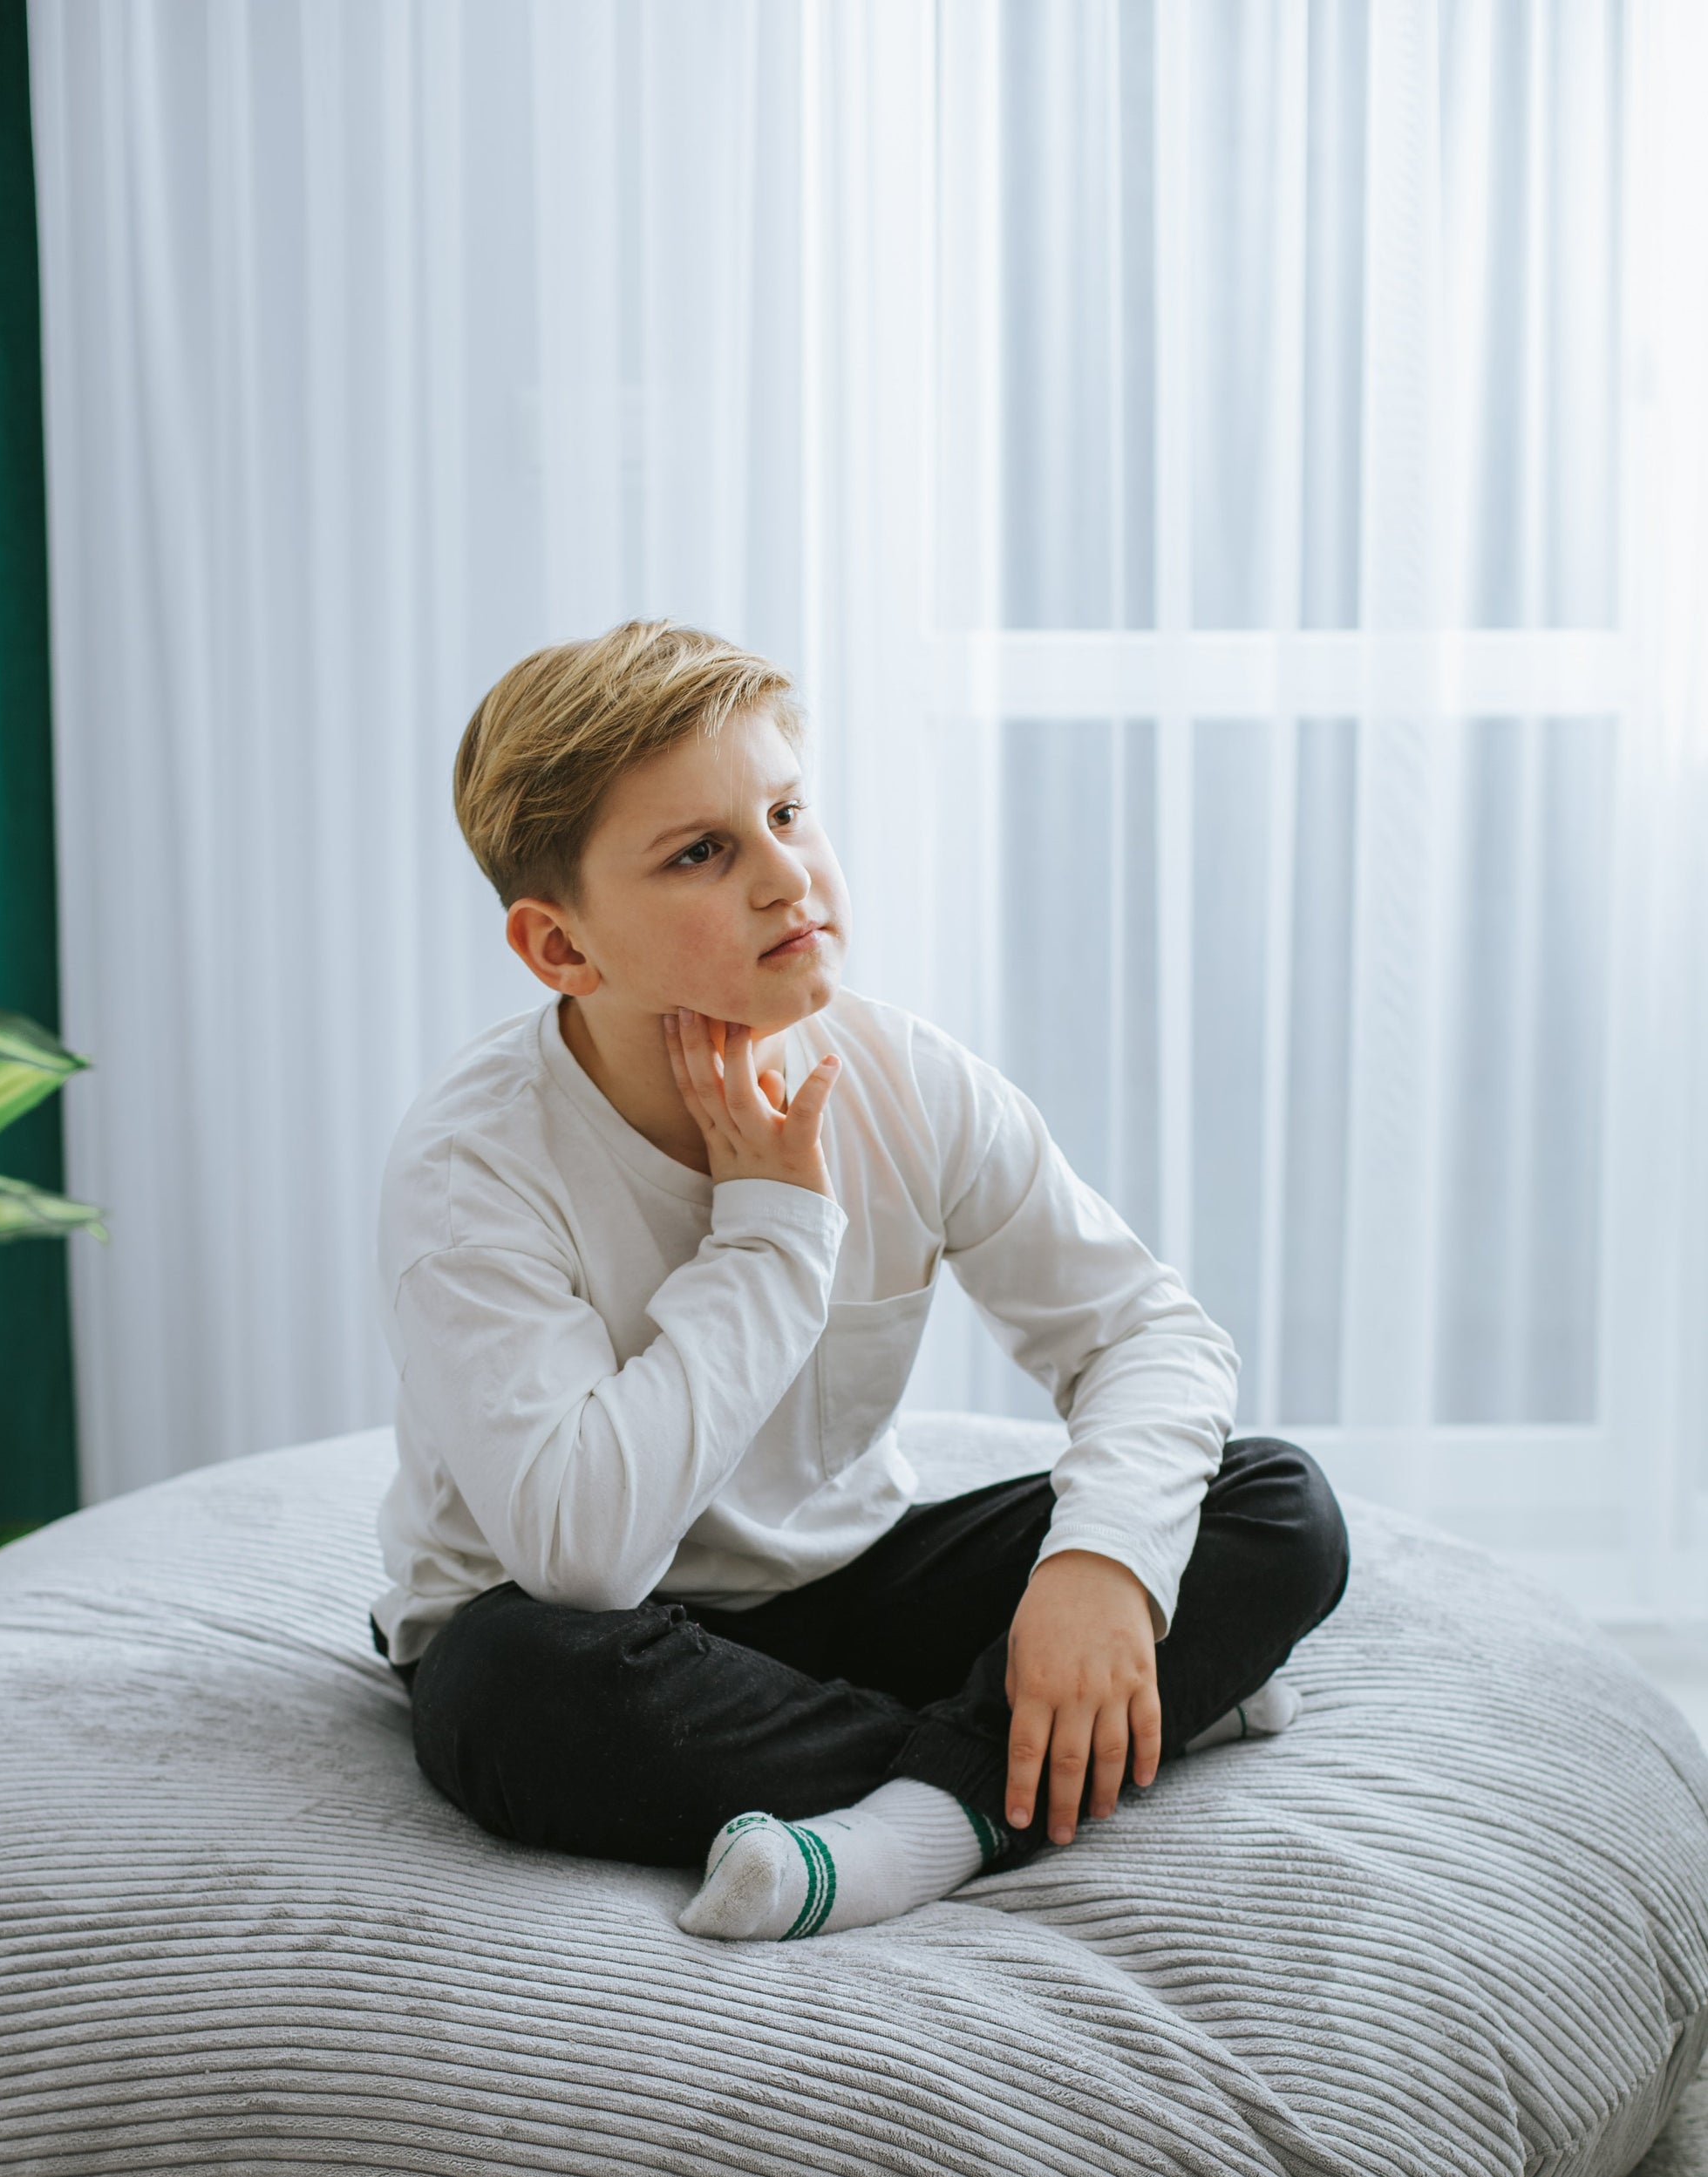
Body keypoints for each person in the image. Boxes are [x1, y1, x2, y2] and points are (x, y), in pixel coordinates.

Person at [371, 620, 1348, 1942]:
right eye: (703, 853)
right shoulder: (470, 1170)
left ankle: (939, 1810)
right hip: (598, 1631)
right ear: (559, 950)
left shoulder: (905, 1076)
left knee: (1274, 1502)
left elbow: (1145, 1335)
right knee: (506, 1696)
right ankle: (1092, 1735)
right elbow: (585, 1554)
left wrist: (1105, 1575)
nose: (790, 877)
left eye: (786, 811)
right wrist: (771, 1223)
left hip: (854, 1592)